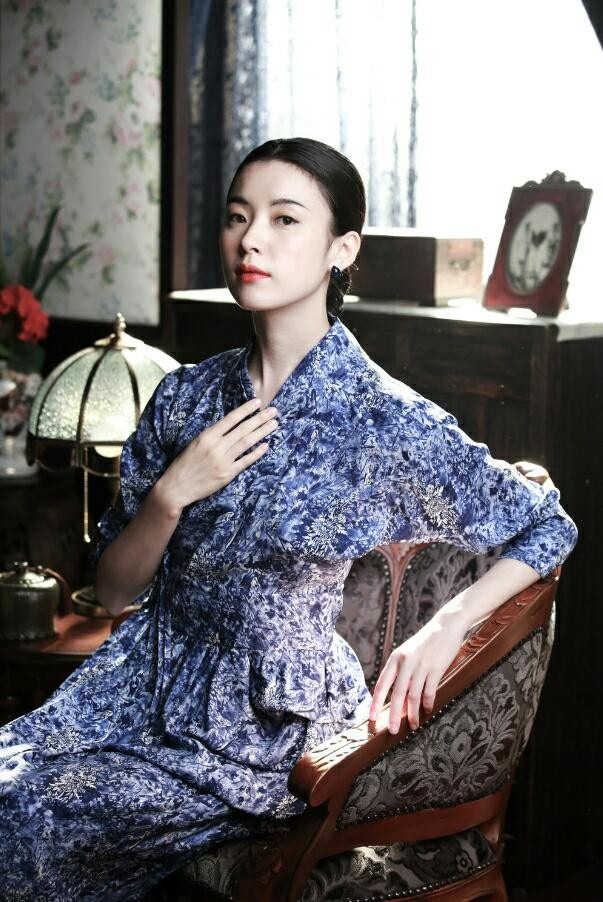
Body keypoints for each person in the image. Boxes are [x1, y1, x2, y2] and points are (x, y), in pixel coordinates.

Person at [0, 137, 577, 900]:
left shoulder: (378, 420)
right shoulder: (185, 396)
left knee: (29, 818)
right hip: (133, 687)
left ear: (342, 249)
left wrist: (444, 627)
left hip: (258, 728)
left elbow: (546, 525)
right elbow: (112, 591)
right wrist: (172, 494)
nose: (251, 240)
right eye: (238, 216)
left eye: (284, 219)